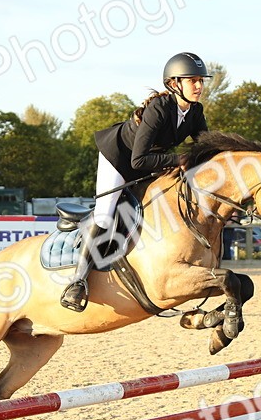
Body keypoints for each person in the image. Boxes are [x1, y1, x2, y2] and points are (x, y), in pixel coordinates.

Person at [59, 52, 211, 311]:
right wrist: (177, 159)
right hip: (119, 159)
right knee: (106, 215)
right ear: (174, 84)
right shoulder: (159, 109)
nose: (198, 86)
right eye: (192, 80)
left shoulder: (195, 112)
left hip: (150, 161)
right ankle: (77, 282)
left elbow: (206, 147)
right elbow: (138, 160)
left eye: (200, 80)